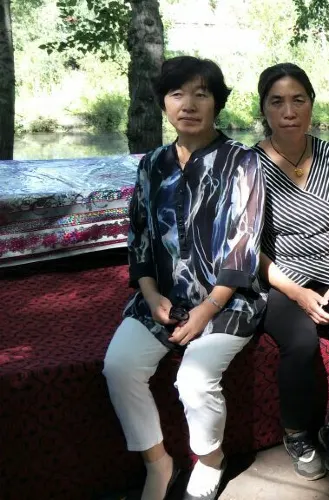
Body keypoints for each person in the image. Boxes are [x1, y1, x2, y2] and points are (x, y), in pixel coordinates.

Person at [102, 56, 264, 500]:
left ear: (217, 103)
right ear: (163, 103)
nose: (188, 104)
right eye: (177, 94)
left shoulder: (242, 162)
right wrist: (151, 294)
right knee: (119, 367)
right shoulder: (152, 164)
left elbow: (243, 246)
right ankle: (158, 462)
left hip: (228, 300)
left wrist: (207, 309)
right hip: (163, 297)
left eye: (201, 94)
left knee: (193, 379)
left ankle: (211, 460)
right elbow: (139, 237)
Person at [253, 63, 329, 479]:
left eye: (298, 100)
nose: (289, 111)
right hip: (279, 275)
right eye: (277, 102)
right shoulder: (250, 164)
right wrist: (297, 293)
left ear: (311, 104)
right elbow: (250, 247)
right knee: (302, 342)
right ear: (264, 109)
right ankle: (296, 433)